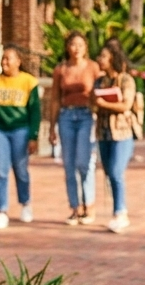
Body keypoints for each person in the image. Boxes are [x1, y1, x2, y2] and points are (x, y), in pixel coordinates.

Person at [0, 46, 40, 229]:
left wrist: (33, 135)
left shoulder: (29, 82)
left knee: (21, 169)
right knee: (0, 171)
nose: (4, 62)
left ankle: (25, 203)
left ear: (18, 61)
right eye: (3, 59)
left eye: (8, 58)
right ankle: (2, 211)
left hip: (20, 130)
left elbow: (35, 111)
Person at [49, 32, 100, 225]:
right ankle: (74, 208)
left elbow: (100, 92)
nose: (76, 48)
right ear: (67, 47)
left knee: (83, 162)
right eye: (73, 44)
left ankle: (89, 205)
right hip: (66, 116)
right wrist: (52, 127)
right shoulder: (61, 69)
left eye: (80, 44)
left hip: (86, 116)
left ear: (86, 47)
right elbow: (54, 98)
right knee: (69, 165)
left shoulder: (93, 67)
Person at [94, 38, 137, 234]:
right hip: (103, 132)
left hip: (122, 133)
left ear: (113, 58)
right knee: (109, 172)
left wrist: (104, 104)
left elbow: (126, 105)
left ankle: (121, 212)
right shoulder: (99, 81)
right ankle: (116, 212)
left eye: (103, 56)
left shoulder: (126, 80)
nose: (99, 59)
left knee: (117, 172)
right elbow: (91, 104)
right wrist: (95, 102)